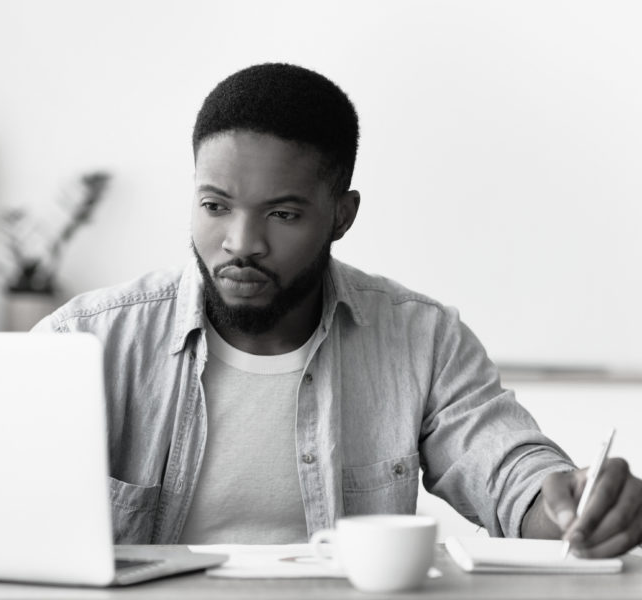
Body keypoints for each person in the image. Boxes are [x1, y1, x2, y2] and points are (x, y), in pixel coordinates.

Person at [33, 63, 641, 556]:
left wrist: (571, 504)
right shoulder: (85, 342)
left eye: (283, 214)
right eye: (215, 206)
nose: (241, 242)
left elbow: (511, 474)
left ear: (342, 216)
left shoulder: (421, 339)